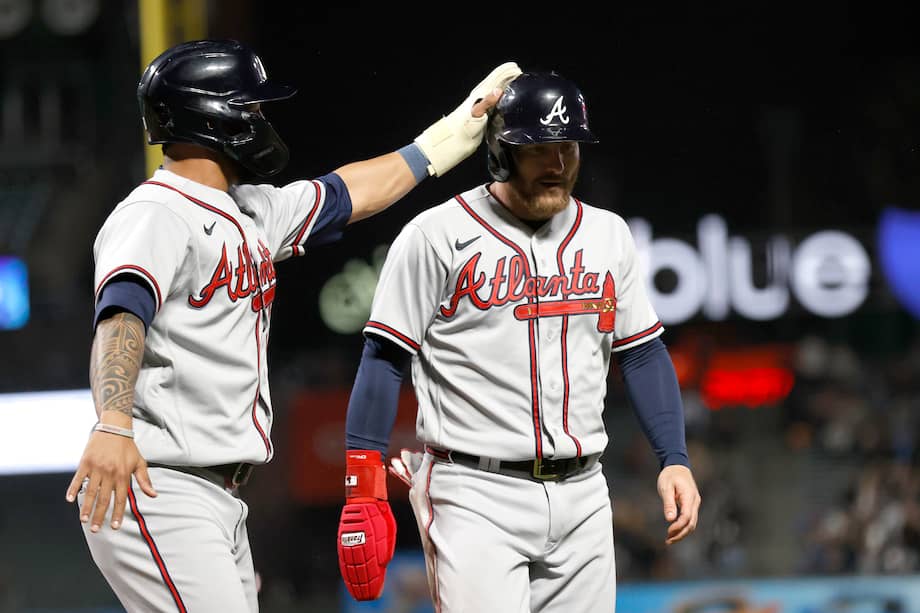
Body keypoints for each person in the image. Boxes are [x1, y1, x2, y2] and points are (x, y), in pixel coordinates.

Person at [63, 38, 521, 612]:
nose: (261, 119)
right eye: (251, 107)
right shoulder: (156, 212)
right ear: (214, 116)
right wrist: (112, 424)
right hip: (160, 483)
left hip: (212, 493)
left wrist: (447, 138)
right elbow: (121, 315)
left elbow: (350, 193)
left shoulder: (248, 210)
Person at [338, 71, 701, 611]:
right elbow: (385, 355)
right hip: (473, 492)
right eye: (538, 150)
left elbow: (643, 352)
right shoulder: (435, 235)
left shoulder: (608, 234)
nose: (557, 164)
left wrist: (674, 457)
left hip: (584, 492)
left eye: (567, 147)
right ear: (500, 152)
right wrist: (362, 483)